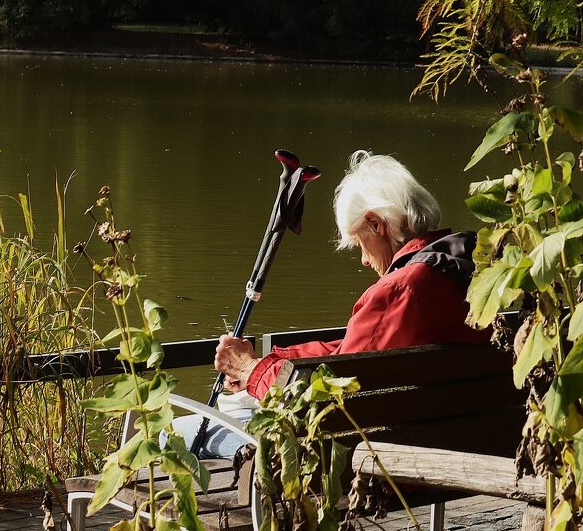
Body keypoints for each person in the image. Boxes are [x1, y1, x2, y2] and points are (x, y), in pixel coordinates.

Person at [185, 150, 489, 459]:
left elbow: (330, 398)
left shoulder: (399, 291)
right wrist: (274, 360)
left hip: (379, 461)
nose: (363, 259)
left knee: (173, 436)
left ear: (375, 224)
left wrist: (252, 371)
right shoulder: (471, 275)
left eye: (358, 243)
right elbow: (350, 356)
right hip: (460, 448)